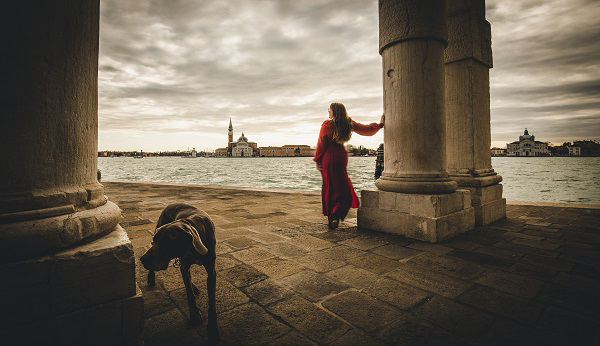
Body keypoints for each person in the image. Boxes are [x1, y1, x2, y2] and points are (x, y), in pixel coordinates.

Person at [314, 102, 384, 229]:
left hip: (328, 158)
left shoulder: (327, 124)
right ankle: (337, 213)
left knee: (330, 186)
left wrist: (318, 159)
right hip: (341, 157)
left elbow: (321, 143)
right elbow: (365, 130)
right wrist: (379, 125)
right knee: (342, 185)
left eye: (329, 110)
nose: (328, 112)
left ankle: (333, 215)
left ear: (333, 111)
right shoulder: (348, 122)